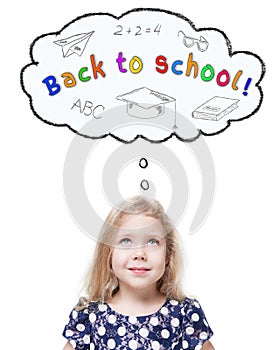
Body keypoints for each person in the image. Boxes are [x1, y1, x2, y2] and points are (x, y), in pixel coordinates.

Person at [63, 195, 214, 350]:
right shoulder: (88, 314)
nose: (139, 253)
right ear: (108, 253)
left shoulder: (186, 314)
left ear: (168, 255)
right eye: (126, 241)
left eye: (152, 241)